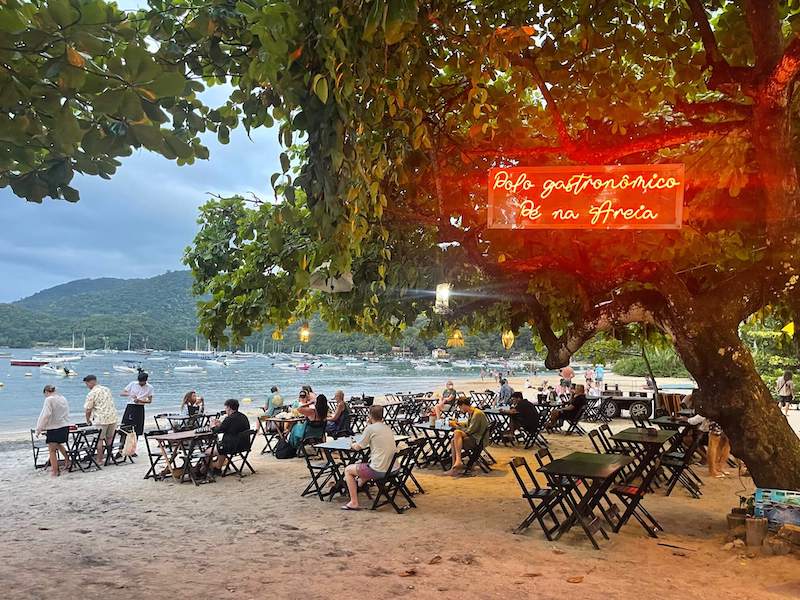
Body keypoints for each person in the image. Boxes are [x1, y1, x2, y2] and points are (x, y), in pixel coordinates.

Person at [342, 405, 397, 510]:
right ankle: (361, 481)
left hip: (379, 470)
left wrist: (352, 444)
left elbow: (358, 447)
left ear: (370, 416)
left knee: (348, 470)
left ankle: (354, 502)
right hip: (393, 468)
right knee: (367, 464)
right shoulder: (387, 427)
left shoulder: (370, 429)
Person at [204, 398, 251, 473]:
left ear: (229, 407)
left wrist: (212, 425)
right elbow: (229, 428)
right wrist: (220, 424)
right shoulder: (243, 417)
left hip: (231, 446)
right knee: (221, 447)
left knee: (206, 452)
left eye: (225, 408)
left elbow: (216, 431)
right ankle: (218, 467)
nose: (225, 410)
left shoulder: (229, 418)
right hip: (244, 445)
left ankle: (212, 469)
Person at [445, 398, 488, 475]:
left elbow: (469, 431)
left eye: (460, 407)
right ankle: (455, 465)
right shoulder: (473, 412)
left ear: (464, 405)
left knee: (457, 432)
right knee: (453, 440)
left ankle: (457, 462)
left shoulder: (477, 414)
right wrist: (458, 423)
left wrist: (456, 426)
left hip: (479, 440)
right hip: (477, 437)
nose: (460, 409)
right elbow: (469, 424)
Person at [35, 385, 71, 477]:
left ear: (46, 392)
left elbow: (46, 415)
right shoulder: (63, 398)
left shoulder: (49, 399)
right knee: (58, 444)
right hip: (64, 426)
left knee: (52, 450)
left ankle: (55, 471)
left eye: (45, 395)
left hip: (54, 427)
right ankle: (67, 460)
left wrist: (39, 428)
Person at [83, 375, 118, 465]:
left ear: (90, 382)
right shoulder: (107, 389)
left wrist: (87, 420)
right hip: (112, 417)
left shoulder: (92, 393)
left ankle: (100, 459)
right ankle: (109, 457)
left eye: (87, 384)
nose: (87, 386)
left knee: (100, 439)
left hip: (101, 418)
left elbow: (88, 409)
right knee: (109, 438)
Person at [119, 372, 153, 456]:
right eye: (139, 382)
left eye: (142, 382)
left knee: (137, 430)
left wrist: (141, 401)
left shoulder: (150, 387)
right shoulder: (133, 384)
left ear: (145, 381)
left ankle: (132, 450)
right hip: (131, 406)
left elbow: (150, 401)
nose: (141, 383)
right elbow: (122, 393)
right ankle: (121, 449)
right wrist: (131, 394)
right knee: (125, 428)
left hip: (140, 407)